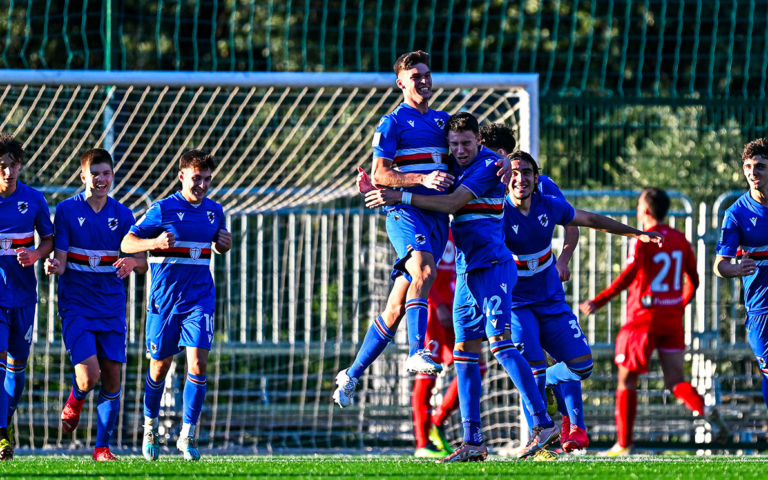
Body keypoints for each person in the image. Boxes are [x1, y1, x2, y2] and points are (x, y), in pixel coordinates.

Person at [365, 112, 560, 462]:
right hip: (467, 271)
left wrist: (400, 198)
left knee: (500, 344)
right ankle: (473, 441)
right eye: (453, 144)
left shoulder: (489, 165)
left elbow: (452, 203)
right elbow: (419, 183)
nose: (459, 149)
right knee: (464, 353)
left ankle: (543, 424)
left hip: (494, 267)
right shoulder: (454, 168)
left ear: (479, 142)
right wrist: (384, 189)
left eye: (466, 143)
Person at [333, 51, 509, 409]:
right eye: (415, 76)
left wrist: (504, 159)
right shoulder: (392, 122)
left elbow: (471, 151)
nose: (423, 80)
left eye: (427, 74)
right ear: (400, 82)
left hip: (436, 218)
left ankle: (350, 375)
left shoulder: (444, 122)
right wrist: (420, 178)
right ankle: (416, 351)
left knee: (395, 308)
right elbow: (381, 174)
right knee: (426, 270)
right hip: (404, 213)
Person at [503, 153, 664, 456]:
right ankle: (541, 438)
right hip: (517, 302)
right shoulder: (496, 211)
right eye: (514, 173)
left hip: (549, 298)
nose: (520, 178)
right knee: (534, 369)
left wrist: (638, 233)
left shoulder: (547, 205)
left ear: (536, 178)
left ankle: (550, 384)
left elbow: (590, 220)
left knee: (583, 365)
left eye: (526, 172)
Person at [584, 187, 728, 456]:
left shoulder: (642, 239)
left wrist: (599, 301)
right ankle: (704, 408)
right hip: (671, 319)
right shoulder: (680, 239)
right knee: (675, 380)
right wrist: (679, 304)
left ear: (646, 210)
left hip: (642, 319)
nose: (638, 210)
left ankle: (624, 444)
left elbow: (628, 275)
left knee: (626, 381)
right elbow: (694, 280)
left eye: (639, 204)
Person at [121, 150, 232, 461]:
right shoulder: (163, 209)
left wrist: (225, 244)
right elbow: (126, 243)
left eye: (207, 179)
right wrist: (152, 243)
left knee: (198, 364)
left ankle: (187, 435)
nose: (202, 185)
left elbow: (220, 242)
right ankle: (150, 428)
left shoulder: (214, 211)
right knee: (159, 368)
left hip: (199, 300)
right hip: (164, 302)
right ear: (182, 176)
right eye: (197, 178)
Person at [479, 123, 580, 451]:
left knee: (566, 359)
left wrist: (563, 259)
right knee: (529, 363)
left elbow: (573, 224)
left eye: (486, 153)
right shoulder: (482, 187)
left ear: (501, 155)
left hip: (547, 289)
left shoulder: (542, 186)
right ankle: (544, 440)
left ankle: (572, 423)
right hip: (513, 294)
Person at [45, 149, 147, 461]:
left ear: (112, 176)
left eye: (106, 173)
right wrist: (52, 266)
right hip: (77, 304)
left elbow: (142, 261)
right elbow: (61, 261)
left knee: (113, 377)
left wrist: (131, 262)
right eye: (95, 173)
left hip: (112, 307)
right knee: (89, 376)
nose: (101, 179)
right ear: (83, 176)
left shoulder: (124, 215)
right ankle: (75, 400)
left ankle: (102, 448)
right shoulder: (65, 210)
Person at [410, 231, 489, 458]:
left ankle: (437, 419)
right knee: (427, 370)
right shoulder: (433, 227)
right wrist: (436, 304)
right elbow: (420, 270)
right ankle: (423, 442)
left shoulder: (466, 225)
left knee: (478, 366)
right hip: (434, 312)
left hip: (460, 307)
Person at [0, 134, 53, 461]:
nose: (9, 171)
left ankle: (4, 418)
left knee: (16, 368)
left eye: (13, 165)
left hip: (23, 294)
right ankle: (2, 435)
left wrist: (35, 255)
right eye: (2, 166)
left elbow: (48, 240)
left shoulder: (33, 200)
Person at [714, 140, 768, 439]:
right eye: (748, 167)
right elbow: (720, 264)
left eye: (759, 166)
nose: (752, 172)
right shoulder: (736, 213)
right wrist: (735, 269)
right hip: (760, 307)